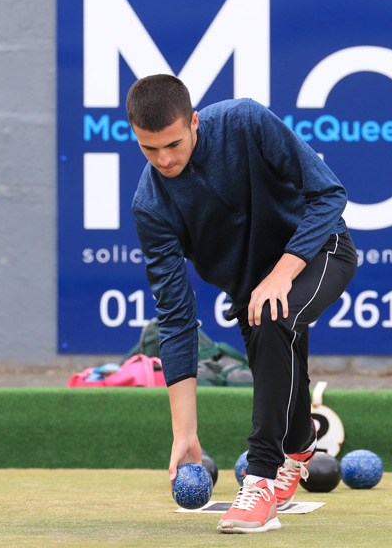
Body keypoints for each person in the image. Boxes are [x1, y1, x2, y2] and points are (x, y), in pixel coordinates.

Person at [128, 74, 357, 534]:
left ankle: (261, 480)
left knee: (275, 315)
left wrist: (282, 272)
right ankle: (300, 443)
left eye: (173, 144)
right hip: (253, 295)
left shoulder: (245, 120)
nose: (164, 160)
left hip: (320, 250)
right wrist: (184, 433)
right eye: (149, 149)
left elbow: (329, 194)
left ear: (194, 122)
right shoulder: (150, 206)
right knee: (277, 357)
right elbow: (176, 318)